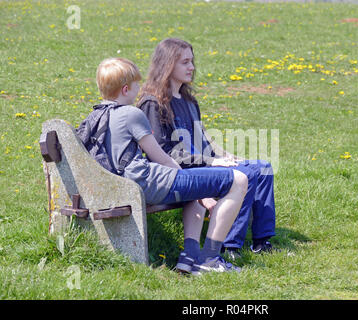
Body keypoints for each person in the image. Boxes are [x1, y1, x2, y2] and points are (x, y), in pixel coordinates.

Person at [92, 57, 248, 275]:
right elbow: (162, 159)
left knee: (193, 187)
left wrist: (194, 187)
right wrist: (202, 193)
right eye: (136, 85)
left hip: (120, 185)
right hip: (146, 182)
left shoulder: (96, 116)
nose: (139, 90)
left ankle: (189, 257)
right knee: (239, 179)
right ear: (126, 89)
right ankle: (210, 258)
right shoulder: (131, 114)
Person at [137, 38, 277, 259]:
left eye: (192, 61)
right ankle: (229, 246)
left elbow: (203, 138)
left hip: (206, 162)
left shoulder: (188, 100)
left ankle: (262, 241)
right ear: (167, 64)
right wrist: (212, 162)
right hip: (180, 171)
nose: (191, 67)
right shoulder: (153, 103)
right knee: (245, 174)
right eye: (185, 62)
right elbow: (165, 154)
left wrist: (225, 155)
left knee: (263, 168)